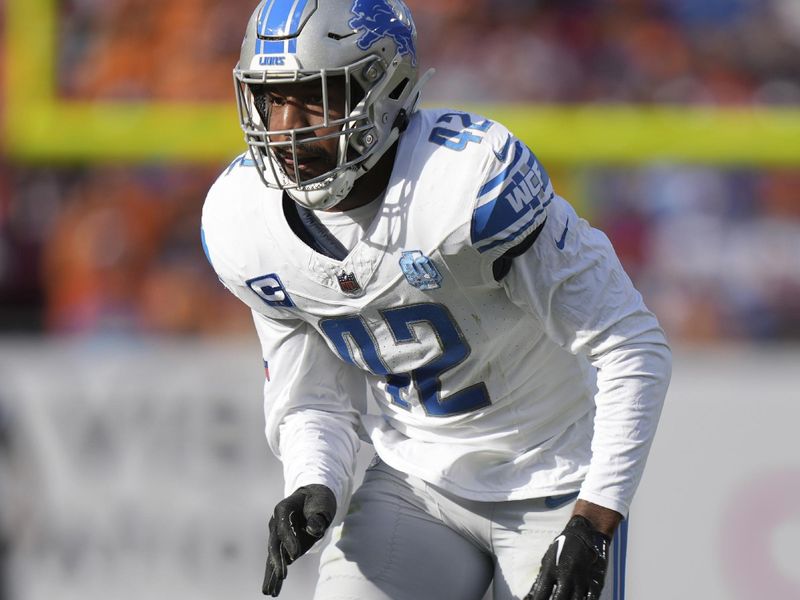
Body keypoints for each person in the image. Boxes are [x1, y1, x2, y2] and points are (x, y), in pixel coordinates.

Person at [201, 1, 672, 598]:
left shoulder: (469, 184)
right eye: (272, 98)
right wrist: (314, 479)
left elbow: (632, 344)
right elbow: (311, 397)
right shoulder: (242, 221)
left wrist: (596, 516)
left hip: (554, 479)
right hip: (415, 482)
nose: (287, 126)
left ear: (386, 88)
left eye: (315, 96)